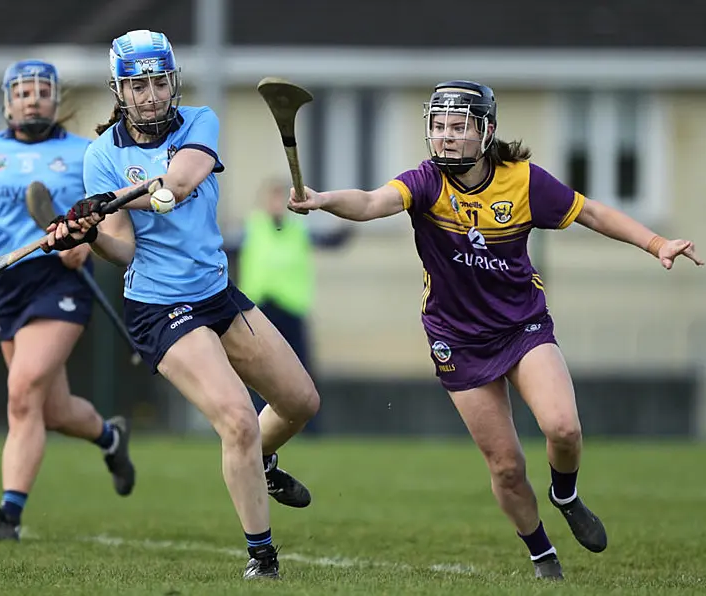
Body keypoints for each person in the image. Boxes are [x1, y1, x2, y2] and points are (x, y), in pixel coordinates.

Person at [285, 80, 703, 580]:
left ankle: (565, 493)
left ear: (485, 131)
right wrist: (324, 198)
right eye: (438, 126)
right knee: (505, 466)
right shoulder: (425, 183)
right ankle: (543, 556)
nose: (445, 137)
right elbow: (373, 202)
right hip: (456, 339)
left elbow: (589, 211)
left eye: (458, 127)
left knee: (564, 429)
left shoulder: (523, 182)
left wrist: (655, 243)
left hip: (521, 325)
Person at [42, 30, 320, 579]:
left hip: (216, 292)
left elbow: (180, 185)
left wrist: (113, 198)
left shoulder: (200, 122)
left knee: (301, 402)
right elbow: (121, 246)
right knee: (238, 419)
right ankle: (262, 557)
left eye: (158, 81)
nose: (150, 95)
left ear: (173, 82)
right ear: (119, 90)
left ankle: (261, 461)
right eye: (137, 84)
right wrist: (89, 233)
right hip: (158, 305)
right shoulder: (102, 156)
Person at [0, 60, 136, 541]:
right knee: (51, 408)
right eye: (23, 92)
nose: (33, 99)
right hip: (6, 283)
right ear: (8, 101)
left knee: (22, 389)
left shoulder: (85, 154)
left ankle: (8, 516)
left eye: (41, 91)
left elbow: (110, 221)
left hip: (61, 281)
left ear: (55, 99)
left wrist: (84, 244)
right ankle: (110, 438)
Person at [224, 178, 353, 432]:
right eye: (272, 198)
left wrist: (349, 214)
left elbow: (333, 240)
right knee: (257, 371)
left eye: (280, 199)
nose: (276, 204)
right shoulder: (251, 229)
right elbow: (221, 247)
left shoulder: (299, 230)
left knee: (301, 370)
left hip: (292, 309)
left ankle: (310, 430)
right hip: (259, 310)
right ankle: (256, 426)